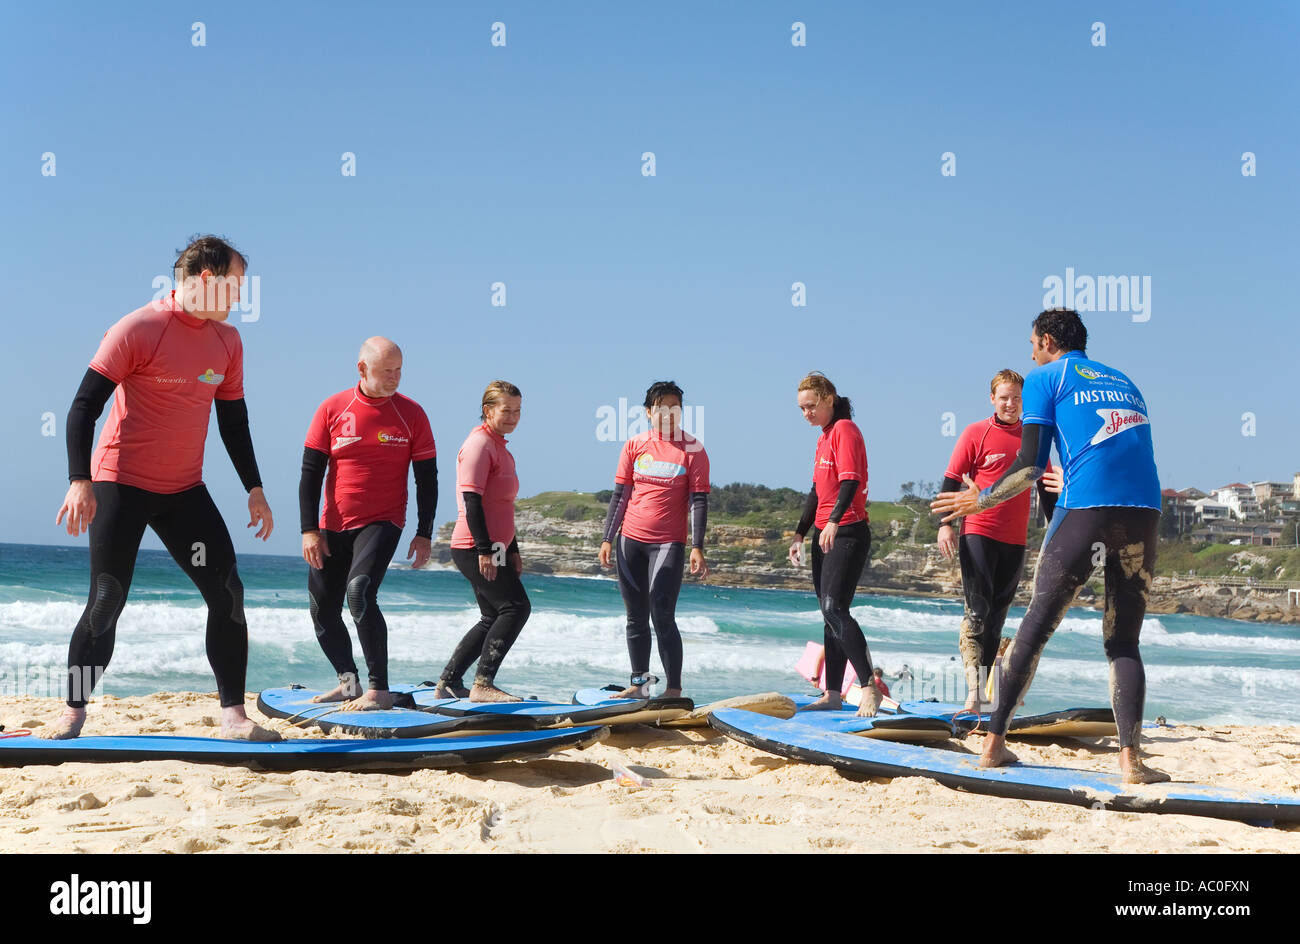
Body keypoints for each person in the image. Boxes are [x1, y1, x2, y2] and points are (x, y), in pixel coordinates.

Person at [49, 235, 276, 740]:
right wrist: (79, 480)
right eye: (237, 283)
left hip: (183, 491)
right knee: (107, 598)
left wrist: (254, 488)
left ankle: (233, 716)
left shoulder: (227, 342)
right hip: (120, 483)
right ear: (208, 279)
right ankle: (72, 711)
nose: (241, 295)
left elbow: (233, 423)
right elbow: (84, 406)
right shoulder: (139, 327)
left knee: (227, 595)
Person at [931, 309, 1167, 784]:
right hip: (1145, 513)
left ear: (1044, 341)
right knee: (1123, 640)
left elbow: (1030, 465)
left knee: (1036, 627)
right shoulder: (1125, 380)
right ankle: (1130, 761)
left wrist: (981, 499)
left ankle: (994, 745)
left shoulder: (1045, 377)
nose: (1030, 353)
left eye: (1031, 344)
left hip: (1087, 510)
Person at [299, 337, 437, 710]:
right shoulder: (332, 408)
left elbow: (427, 478)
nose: (395, 378)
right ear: (362, 369)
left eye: (399, 370)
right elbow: (311, 474)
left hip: (383, 520)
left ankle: (379, 688)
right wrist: (308, 529)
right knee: (321, 607)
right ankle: (348, 683)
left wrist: (424, 532)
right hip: (332, 524)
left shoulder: (412, 415)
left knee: (359, 592)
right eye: (387, 371)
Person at [935, 369, 1062, 710]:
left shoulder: (1032, 439)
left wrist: (1056, 529)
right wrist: (945, 525)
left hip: (1014, 539)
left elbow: (1046, 488)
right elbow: (951, 481)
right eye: (1004, 397)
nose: (1010, 404)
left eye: (1017, 398)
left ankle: (988, 694)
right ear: (993, 398)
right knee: (978, 612)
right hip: (978, 530)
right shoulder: (975, 432)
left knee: (998, 618)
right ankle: (974, 694)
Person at [598, 381, 710, 699]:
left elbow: (699, 501)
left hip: (667, 544)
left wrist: (697, 546)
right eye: (661, 408)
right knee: (635, 617)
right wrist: (608, 538)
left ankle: (673, 690)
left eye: (675, 408)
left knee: (662, 614)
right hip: (629, 541)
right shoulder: (635, 446)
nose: (668, 414)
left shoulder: (694, 450)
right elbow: (620, 496)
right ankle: (639, 686)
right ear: (649, 412)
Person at [787, 372, 880, 717]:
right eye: (801, 408)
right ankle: (833, 693)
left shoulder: (845, 430)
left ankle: (869, 686)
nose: (806, 413)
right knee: (829, 616)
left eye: (811, 406)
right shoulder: (824, 437)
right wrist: (800, 533)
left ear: (829, 399)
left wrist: (835, 521)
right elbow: (816, 491)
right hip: (825, 532)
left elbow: (851, 480)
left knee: (834, 608)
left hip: (848, 531)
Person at [435, 382, 529, 703]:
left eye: (517, 411)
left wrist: (512, 550)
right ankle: (483, 684)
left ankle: (449, 682)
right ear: (488, 410)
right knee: (516, 608)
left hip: (495, 548)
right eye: (506, 410)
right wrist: (486, 549)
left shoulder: (500, 447)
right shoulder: (478, 445)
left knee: (493, 615)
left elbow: (502, 507)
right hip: (474, 547)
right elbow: (472, 501)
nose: (513, 417)